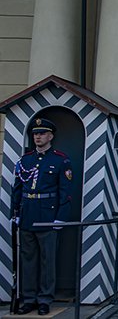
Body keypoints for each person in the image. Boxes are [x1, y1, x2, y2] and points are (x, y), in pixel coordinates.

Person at [11, 118, 73, 315]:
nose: (38, 137)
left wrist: (60, 218)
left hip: (48, 214)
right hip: (28, 214)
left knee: (48, 261)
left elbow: (66, 191)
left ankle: (45, 299)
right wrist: (15, 213)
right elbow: (17, 189)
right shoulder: (25, 160)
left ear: (51, 136)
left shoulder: (60, 160)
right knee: (28, 260)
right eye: (35, 134)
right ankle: (28, 299)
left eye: (42, 133)